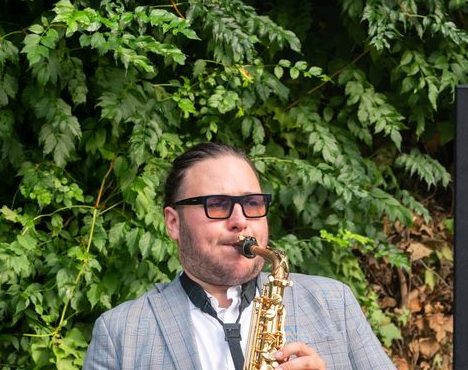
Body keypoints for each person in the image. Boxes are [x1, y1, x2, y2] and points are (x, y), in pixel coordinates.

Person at [83, 142, 395, 370]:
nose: (240, 220)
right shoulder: (121, 333)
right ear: (174, 223)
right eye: (217, 204)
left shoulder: (333, 301)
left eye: (252, 203)